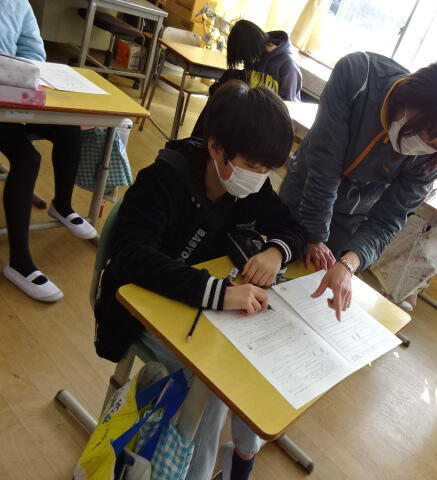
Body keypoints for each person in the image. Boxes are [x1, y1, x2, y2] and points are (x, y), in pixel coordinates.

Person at [94, 81, 306, 480]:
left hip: (200, 308)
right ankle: (202, 467)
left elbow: (293, 229)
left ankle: (239, 455)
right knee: (215, 383)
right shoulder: (163, 180)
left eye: (268, 170)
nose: (259, 177)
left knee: (254, 365)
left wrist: (275, 251)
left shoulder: (250, 186)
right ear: (215, 147)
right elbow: (133, 257)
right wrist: (219, 294)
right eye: (252, 166)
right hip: (137, 309)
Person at [279, 51, 437, 319]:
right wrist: (314, 237)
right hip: (305, 194)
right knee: (269, 261)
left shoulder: (433, 157)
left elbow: (387, 220)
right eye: (426, 134)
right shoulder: (358, 75)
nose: (423, 148)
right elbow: (324, 172)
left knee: (302, 300)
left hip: (349, 220)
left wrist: (348, 264)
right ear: (416, 96)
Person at [0, 0, 97, 302]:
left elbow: (33, 52)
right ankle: (19, 262)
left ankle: (63, 205)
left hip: (11, 93)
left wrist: (19, 74)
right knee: (27, 157)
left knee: (68, 125)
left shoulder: (17, 3)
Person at [192, 20, 302, 137]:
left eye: (243, 58)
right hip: (250, 118)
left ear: (249, 49)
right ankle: (199, 140)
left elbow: (286, 109)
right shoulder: (255, 58)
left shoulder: (288, 66)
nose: (244, 63)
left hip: (270, 126)